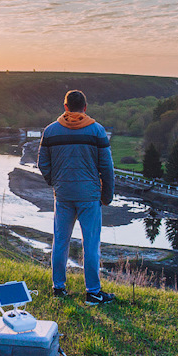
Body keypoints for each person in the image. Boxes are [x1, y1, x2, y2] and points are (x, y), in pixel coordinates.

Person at [37, 90, 116, 305]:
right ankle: (92, 293)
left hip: (63, 194)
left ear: (65, 107)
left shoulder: (51, 131)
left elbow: (42, 163)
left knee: (60, 241)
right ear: (85, 107)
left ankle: (59, 288)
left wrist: (56, 182)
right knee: (90, 243)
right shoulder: (97, 131)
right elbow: (106, 168)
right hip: (89, 196)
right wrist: (106, 195)